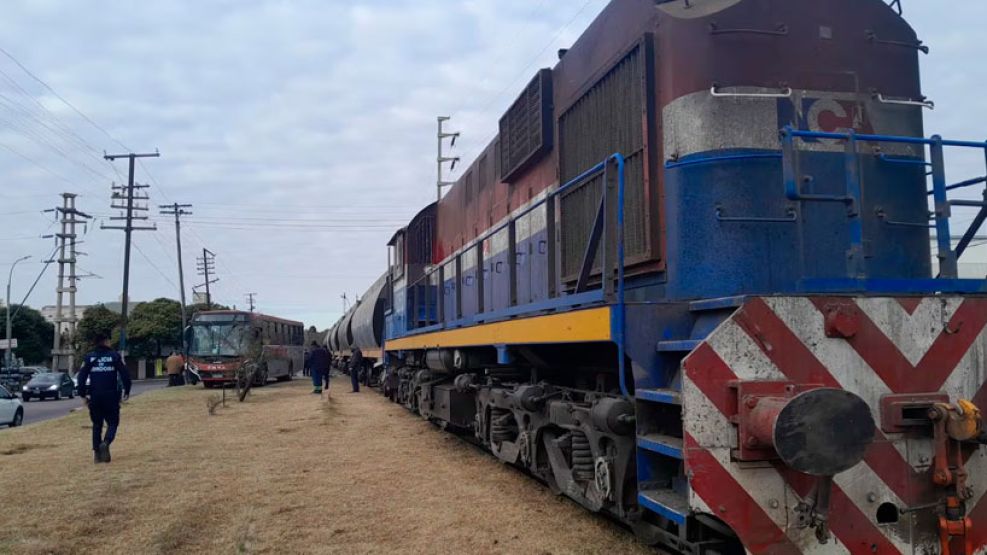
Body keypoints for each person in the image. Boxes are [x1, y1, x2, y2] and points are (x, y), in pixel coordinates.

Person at [76, 334, 132, 464]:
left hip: (95, 396)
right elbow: (125, 374)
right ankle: (106, 442)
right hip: (111, 396)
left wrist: (83, 394)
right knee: (113, 423)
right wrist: (127, 391)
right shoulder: (114, 356)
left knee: (97, 425)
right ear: (105, 342)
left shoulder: (89, 357)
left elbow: (81, 377)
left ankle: (97, 454)